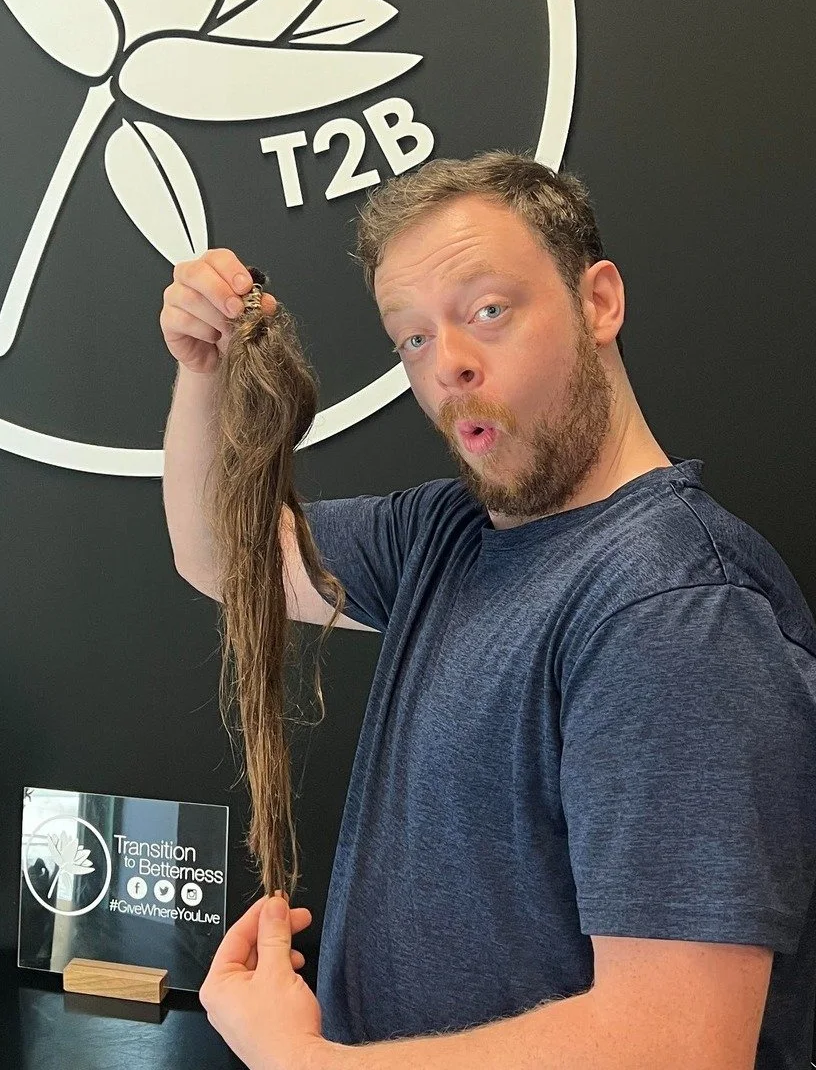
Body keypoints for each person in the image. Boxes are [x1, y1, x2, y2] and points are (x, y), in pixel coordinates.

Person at [160, 151, 816, 1070]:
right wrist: (203, 372)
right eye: (412, 339)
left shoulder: (675, 609)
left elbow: (678, 1045)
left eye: (488, 312)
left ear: (598, 303)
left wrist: (304, 1063)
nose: (449, 367)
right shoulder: (444, 535)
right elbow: (222, 555)